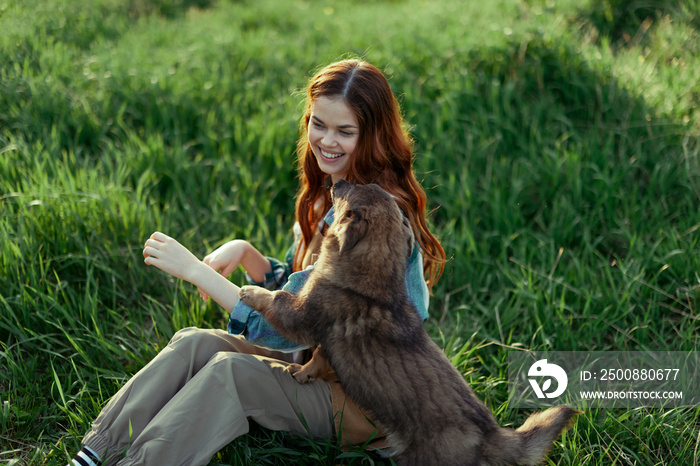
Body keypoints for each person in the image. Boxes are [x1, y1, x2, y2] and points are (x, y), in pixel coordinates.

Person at [69, 58, 445, 466]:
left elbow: (291, 323)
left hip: (363, 401)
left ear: (374, 136)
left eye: (345, 131)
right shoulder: (333, 189)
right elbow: (301, 286)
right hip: (312, 360)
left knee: (229, 373)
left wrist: (195, 270)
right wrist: (248, 254)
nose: (327, 140)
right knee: (194, 343)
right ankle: (92, 455)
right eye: (318, 124)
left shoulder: (372, 220)